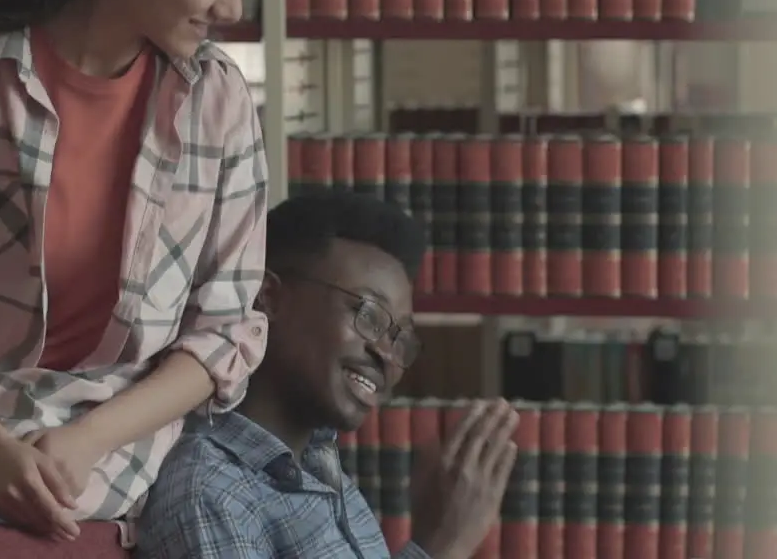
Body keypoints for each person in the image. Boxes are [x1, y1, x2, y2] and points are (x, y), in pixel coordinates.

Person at [0, 0, 271, 544]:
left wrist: (84, 442)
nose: (233, 6)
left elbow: (225, 332)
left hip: (128, 440)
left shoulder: (219, 102)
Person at [135, 191, 519, 559]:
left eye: (399, 337)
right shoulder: (212, 494)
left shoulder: (323, 475)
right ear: (268, 297)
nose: (386, 355)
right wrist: (440, 548)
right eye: (368, 315)